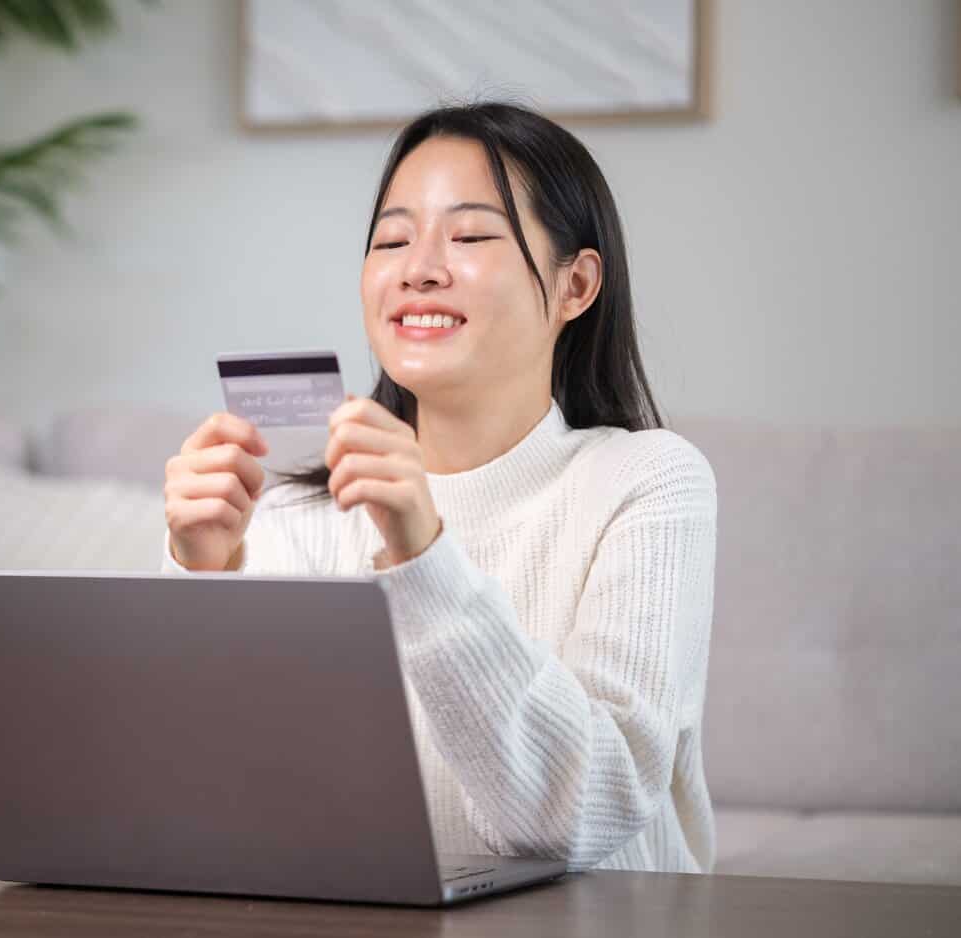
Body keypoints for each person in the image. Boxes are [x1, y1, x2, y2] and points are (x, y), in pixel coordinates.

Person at [161, 102, 717, 875]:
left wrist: (423, 553)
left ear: (575, 285)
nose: (418, 267)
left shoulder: (647, 481)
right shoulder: (290, 511)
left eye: (471, 235)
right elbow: (208, 802)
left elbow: (584, 814)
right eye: (392, 239)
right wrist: (202, 580)